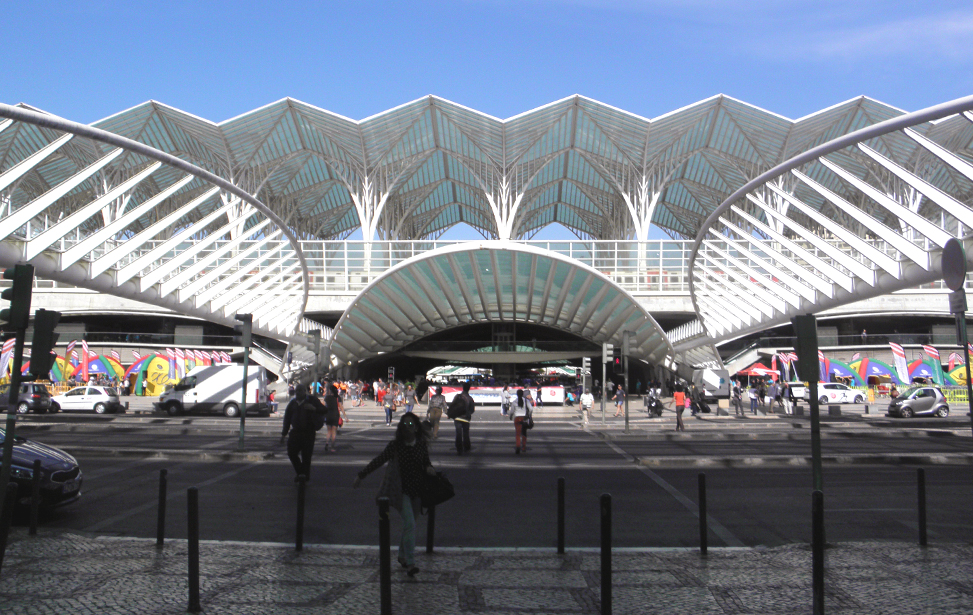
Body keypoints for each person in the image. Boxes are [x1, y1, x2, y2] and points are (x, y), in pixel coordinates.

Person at [353, 412, 436, 578]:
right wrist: (361, 475)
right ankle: (411, 563)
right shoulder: (395, 445)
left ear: (416, 427)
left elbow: (426, 462)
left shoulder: (420, 444)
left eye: (411, 424)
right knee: (410, 524)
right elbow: (380, 460)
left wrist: (429, 468)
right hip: (401, 491)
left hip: (417, 491)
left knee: (409, 526)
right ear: (400, 428)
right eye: (404, 424)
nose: (407, 427)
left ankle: (402, 556)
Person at [281, 387, 318, 482]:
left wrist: (314, 409)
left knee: (306, 457)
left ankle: (304, 476)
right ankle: (301, 472)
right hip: (295, 432)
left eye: (300, 390)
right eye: (297, 391)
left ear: (304, 392)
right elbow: (287, 419)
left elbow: (321, 412)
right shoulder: (292, 404)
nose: (298, 392)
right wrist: (283, 434)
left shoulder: (311, 402)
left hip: (308, 433)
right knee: (291, 453)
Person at [448, 381, 475, 455]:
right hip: (466, 418)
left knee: (458, 433)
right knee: (466, 434)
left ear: (462, 388)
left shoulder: (458, 396)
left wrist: (451, 414)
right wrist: (467, 414)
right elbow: (472, 410)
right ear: (469, 389)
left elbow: (452, 405)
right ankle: (466, 447)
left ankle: (459, 448)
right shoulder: (470, 398)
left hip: (457, 418)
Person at [510, 388, 532, 453]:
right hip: (524, 418)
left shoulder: (514, 402)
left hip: (517, 418)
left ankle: (518, 446)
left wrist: (511, 416)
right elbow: (531, 409)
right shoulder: (526, 401)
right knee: (524, 433)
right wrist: (529, 415)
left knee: (517, 434)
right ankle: (524, 447)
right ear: (523, 394)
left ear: (517, 394)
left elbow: (512, 411)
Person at [323, 384, 343, 452]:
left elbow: (323, 405)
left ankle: (327, 443)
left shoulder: (327, 397)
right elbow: (341, 407)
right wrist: (345, 417)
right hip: (335, 415)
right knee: (334, 432)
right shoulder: (338, 397)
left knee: (329, 431)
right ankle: (332, 447)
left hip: (328, 415)